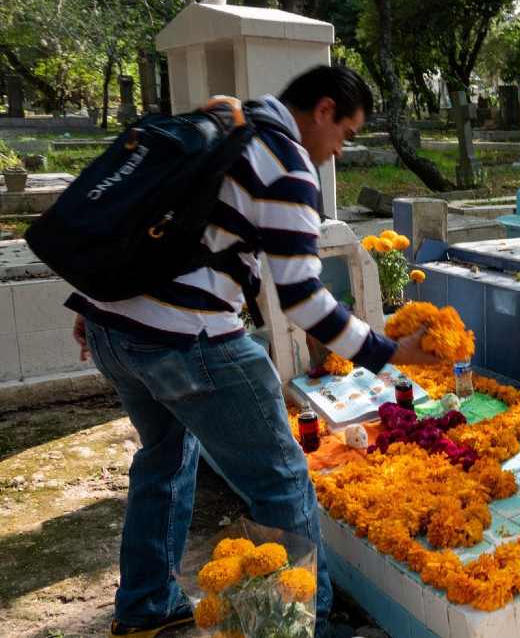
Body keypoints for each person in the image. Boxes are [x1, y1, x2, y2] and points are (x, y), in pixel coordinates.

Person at [67, 65, 442, 638]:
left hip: (110, 327)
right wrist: (390, 352)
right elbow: (302, 299)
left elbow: (133, 208)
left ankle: (145, 607)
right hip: (187, 340)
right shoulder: (284, 159)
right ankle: (305, 624)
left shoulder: (216, 121)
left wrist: (93, 305)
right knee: (282, 480)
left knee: (165, 458)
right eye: (344, 133)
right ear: (322, 110)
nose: (337, 149)